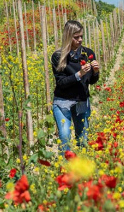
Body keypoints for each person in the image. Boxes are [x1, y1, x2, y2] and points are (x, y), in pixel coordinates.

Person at [51, 20, 100, 153]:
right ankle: (65, 168)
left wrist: (95, 72)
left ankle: (81, 167)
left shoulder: (87, 53)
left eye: (81, 36)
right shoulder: (58, 56)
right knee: (65, 136)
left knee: (82, 137)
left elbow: (90, 81)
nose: (80, 40)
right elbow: (61, 82)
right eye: (76, 37)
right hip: (62, 102)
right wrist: (79, 74)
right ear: (68, 36)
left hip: (81, 100)